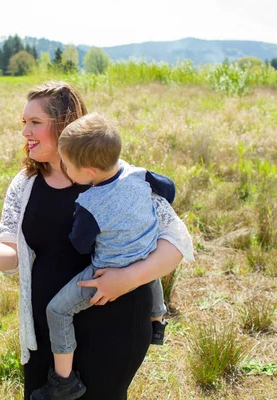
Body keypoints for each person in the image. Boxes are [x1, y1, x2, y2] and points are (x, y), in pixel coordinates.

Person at [0, 81, 194, 400]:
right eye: (24, 123)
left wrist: (127, 278)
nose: (25, 132)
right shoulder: (25, 185)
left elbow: (176, 241)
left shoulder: (113, 178)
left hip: (114, 328)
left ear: (65, 126)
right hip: (47, 335)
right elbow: (10, 254)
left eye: (35, 122)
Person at [28, 112, 175, 400]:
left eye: (69, 166)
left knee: (57, 311)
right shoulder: (139, 174)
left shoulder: (89, 202)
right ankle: (157, 321)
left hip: (107, 272)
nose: (67, 171)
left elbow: (81, 244)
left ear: (89, 171)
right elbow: (168, 189)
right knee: (151, 272)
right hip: (145, 255)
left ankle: (63, 381)